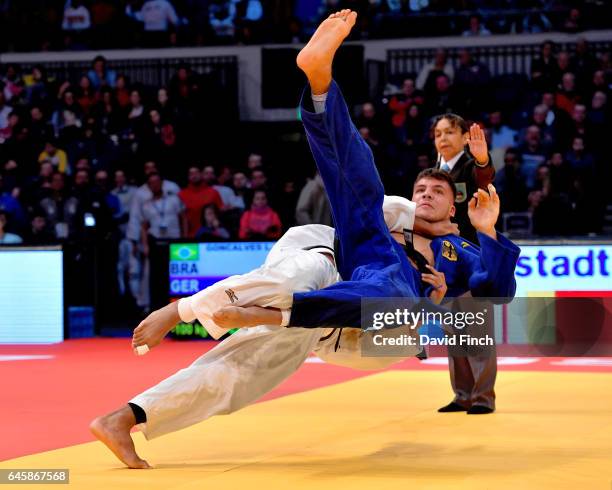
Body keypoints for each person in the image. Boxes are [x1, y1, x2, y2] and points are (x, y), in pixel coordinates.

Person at [432, 114, 495, 243]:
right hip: (437, 248)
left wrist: (482, 160)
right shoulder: (430, 174)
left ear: (465, 137)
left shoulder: (471, 166)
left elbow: (484, 178)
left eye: (449, 132)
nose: (443, 138)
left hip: (468, 246)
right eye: (438, 134)